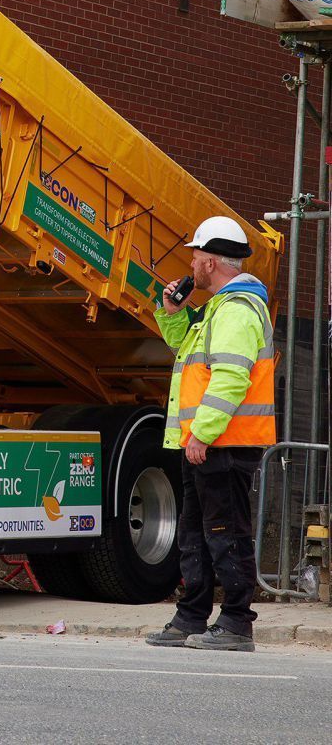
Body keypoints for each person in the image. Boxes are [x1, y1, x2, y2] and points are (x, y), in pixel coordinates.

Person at [145, 216, 275, 652]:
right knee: (196, 534)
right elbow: (185, 352)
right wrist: (173, 311)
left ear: (214, 260)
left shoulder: (237, 309)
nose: (192, 262)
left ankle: (237, 624)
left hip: (224, 442)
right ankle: (191, 616)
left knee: (226, 533)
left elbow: (230, 379)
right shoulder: (217, 308)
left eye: (197, 254)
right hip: (206, 442)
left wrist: (201, 434)